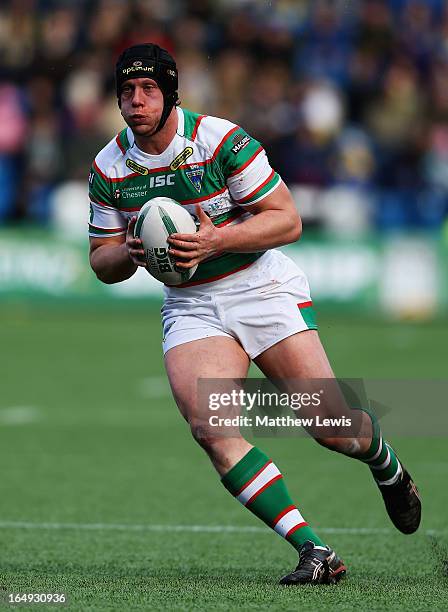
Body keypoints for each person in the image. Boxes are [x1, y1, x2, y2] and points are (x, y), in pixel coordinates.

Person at [88, 43, 421, 585]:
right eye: (126, 91)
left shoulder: (220, 140)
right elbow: (101, 260)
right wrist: (131, 249)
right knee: (212, 429)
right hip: (192, 304)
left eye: (148, 89)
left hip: (258, 284)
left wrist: (215, 242)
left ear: (171, 93)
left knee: (333, 428)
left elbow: (286, 221)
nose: (136, 100)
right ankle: (314, 551)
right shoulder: (109, 165)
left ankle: (386, 464)